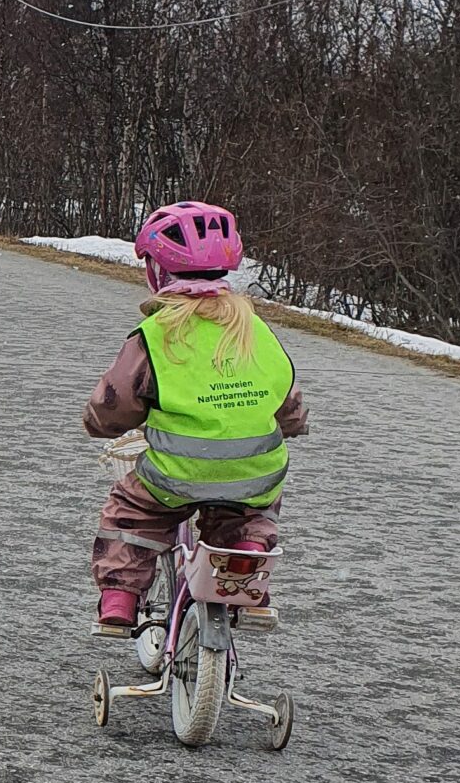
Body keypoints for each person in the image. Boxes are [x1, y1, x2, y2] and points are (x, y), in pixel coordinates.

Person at [83, 199, 308, 636]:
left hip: (177, 471)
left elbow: (115, 403)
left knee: (131, 513)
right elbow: (288, 399)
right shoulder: (257, 331)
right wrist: (291, 425)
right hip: (255, 471)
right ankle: (246, 570)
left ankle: (119, 600)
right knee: (248, 514)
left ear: (157, 272)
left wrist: (100, 425)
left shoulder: (155, 335)